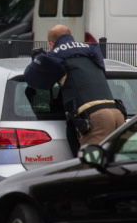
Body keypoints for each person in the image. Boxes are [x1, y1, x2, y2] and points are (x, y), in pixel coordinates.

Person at [24, 24, 126, 155]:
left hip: (96, 118)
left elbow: (32, 78)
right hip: (117, 113)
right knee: (117, 166)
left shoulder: (56, 56)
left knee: (92, 168)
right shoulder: (90, 51)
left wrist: (39, 60)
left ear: (51, 43)